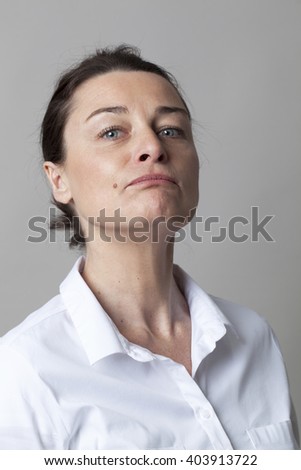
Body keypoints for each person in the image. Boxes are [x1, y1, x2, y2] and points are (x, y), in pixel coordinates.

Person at [0, 45, 298, 450]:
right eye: (111, 132)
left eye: (171, 130)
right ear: (59, 181)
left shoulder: (254, 338)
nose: (153, 147)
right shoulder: (22, 371)